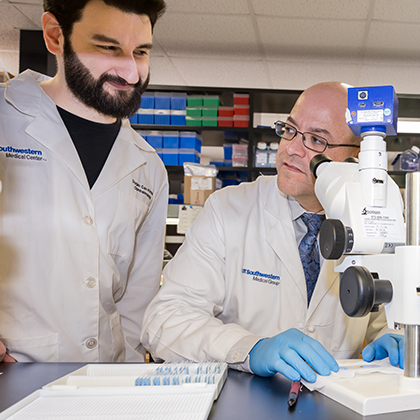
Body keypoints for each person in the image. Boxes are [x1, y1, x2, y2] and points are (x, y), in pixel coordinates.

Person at [140, 82, 404, 382]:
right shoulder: (228, 210)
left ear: (355, 158)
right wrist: (250, 349)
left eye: (316, 140)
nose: (291, 148)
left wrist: (390, 338)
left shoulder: (374, 220)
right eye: (289, 130)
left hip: (337, 404)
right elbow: (164, 321)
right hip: (243, 402)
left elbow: (378, 320)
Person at [0, 0, 168, 362]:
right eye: (109, 48)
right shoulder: (3, 119)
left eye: (140, 52)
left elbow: (137, 304)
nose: (132, 73)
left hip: (106, 388)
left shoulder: (149, 167)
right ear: (55, 36)